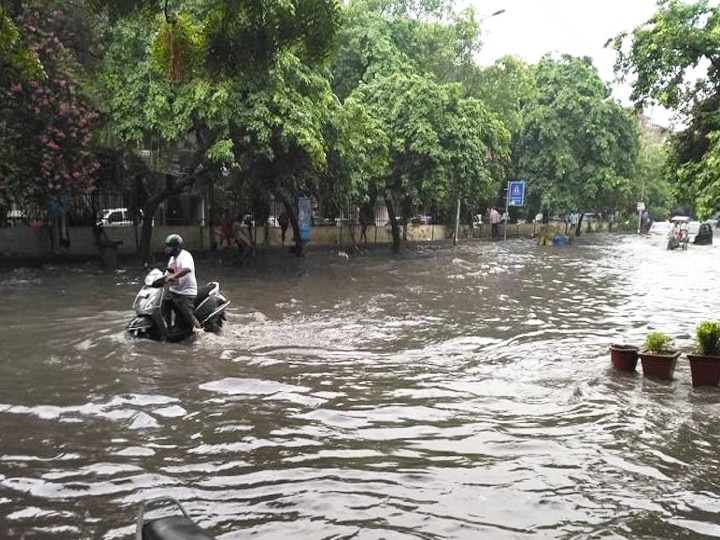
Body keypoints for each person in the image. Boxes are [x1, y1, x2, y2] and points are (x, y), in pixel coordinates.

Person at [164, 234, 202, 331]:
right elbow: (167, 274)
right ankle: (166, 329)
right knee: (162, 306)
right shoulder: (172, 259)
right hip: (174, 292)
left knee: (187, 315)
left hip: (186, 293)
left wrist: (173, 276)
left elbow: (187, 269)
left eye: (169, 247)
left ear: (176, 248)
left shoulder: (185, 256)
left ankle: (200, 333)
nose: (166, 249)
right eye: (166, 246)